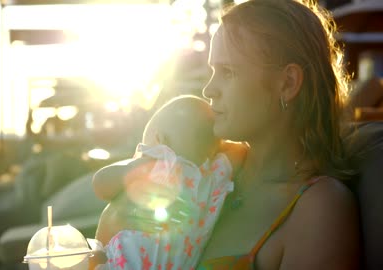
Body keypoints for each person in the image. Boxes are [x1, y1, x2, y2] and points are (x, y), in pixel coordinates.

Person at [90, 0, 361, 269]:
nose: (208, 89)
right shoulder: (210, 167)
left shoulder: (319, 209)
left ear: (287, 83)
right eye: (212, 71)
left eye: (228, 72)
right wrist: (118, 217)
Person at [93, 95, 234, 269]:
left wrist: (137, 166)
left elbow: (100, 184)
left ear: (159, 141)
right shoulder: (213, 177)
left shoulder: (157, 161)